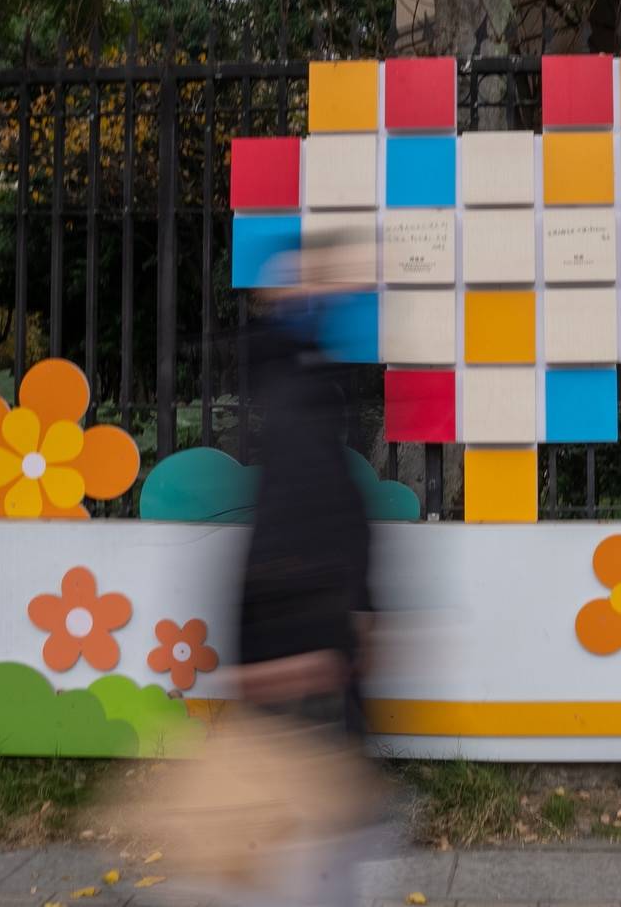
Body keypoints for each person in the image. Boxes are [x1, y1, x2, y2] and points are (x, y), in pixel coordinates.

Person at [230, 226, 384, 905]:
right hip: (297, 617)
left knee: (324, 820)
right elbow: (302, 508)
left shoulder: (311, 376)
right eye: (308, 279)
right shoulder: (287, 379)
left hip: (315, 613)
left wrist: (364, 602)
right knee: (308, 818)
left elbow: (339, 502)